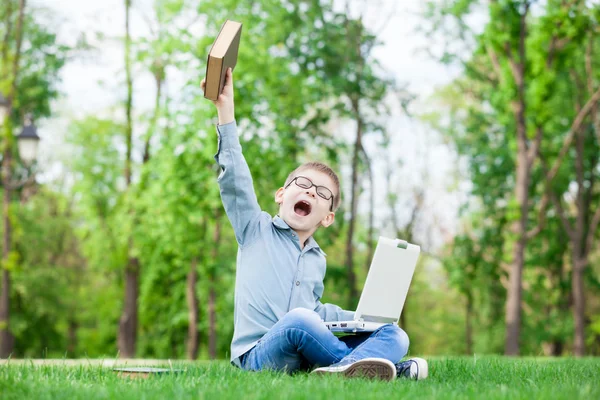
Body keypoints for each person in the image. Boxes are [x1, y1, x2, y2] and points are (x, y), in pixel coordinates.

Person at [200, 68, 428, 381]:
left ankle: (341, 370)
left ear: (327, 217)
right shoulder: (255, 229)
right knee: (300, 321)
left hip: (302, 349)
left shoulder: (316, 258)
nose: (310, 191)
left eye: (322, 193)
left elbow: (316, 311)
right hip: (259, 354)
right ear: (281, 194)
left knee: (395, 335)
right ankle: (360, 368)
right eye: (303, 183)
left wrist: (364, 320)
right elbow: (235, 179)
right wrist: (225, 112)